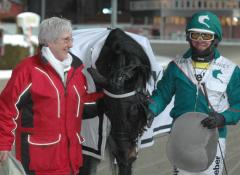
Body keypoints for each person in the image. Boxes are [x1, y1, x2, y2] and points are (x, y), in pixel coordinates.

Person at [0, 17, 103, 175]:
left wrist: (107, 97)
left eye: (71, 39)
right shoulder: (28, 70)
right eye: (66, 40)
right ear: (49, 42)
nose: (71, 45)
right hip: (39, 161)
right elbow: (6, 108)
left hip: (70, 160)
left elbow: (81, 105)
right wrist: (3, 144)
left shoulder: (76, 71)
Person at [148, 11, 240, 175]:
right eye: (195, 34)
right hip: (181, 137)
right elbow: (162, 95)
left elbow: (238, 104)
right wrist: (150, 110)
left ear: (216, 39)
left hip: (214, 138)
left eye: (206, 36)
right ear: (188, 36)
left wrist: (223, 118)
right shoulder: (176, 66)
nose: (200, 40)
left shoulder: (231, 70)